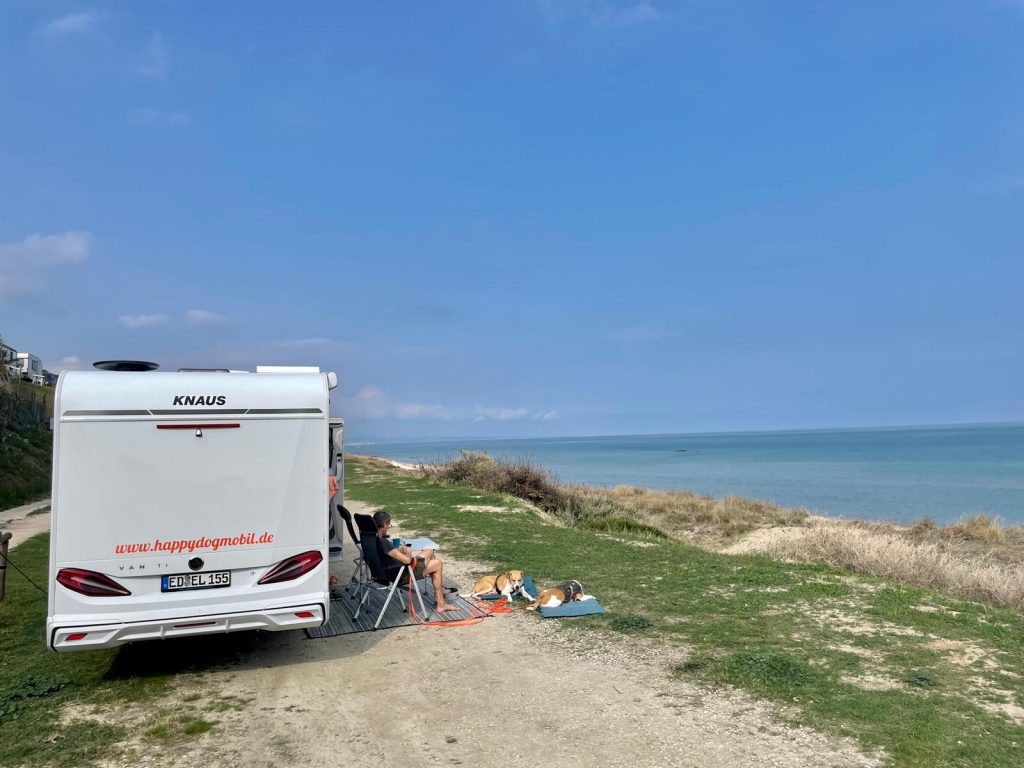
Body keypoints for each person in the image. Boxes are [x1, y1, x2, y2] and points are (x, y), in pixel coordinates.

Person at [373, 509, 458, 614]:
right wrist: (408, 551)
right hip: (402, 574)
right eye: (389, 525)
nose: (389, 527)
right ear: (385, 524)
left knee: (430, 551)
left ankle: (440, 593)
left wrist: (397, 551)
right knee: (437, 564)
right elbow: (408, 560)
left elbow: (388, 555)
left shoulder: (372, 539)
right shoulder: (383, 542)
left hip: (388, 572)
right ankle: (441, 603)